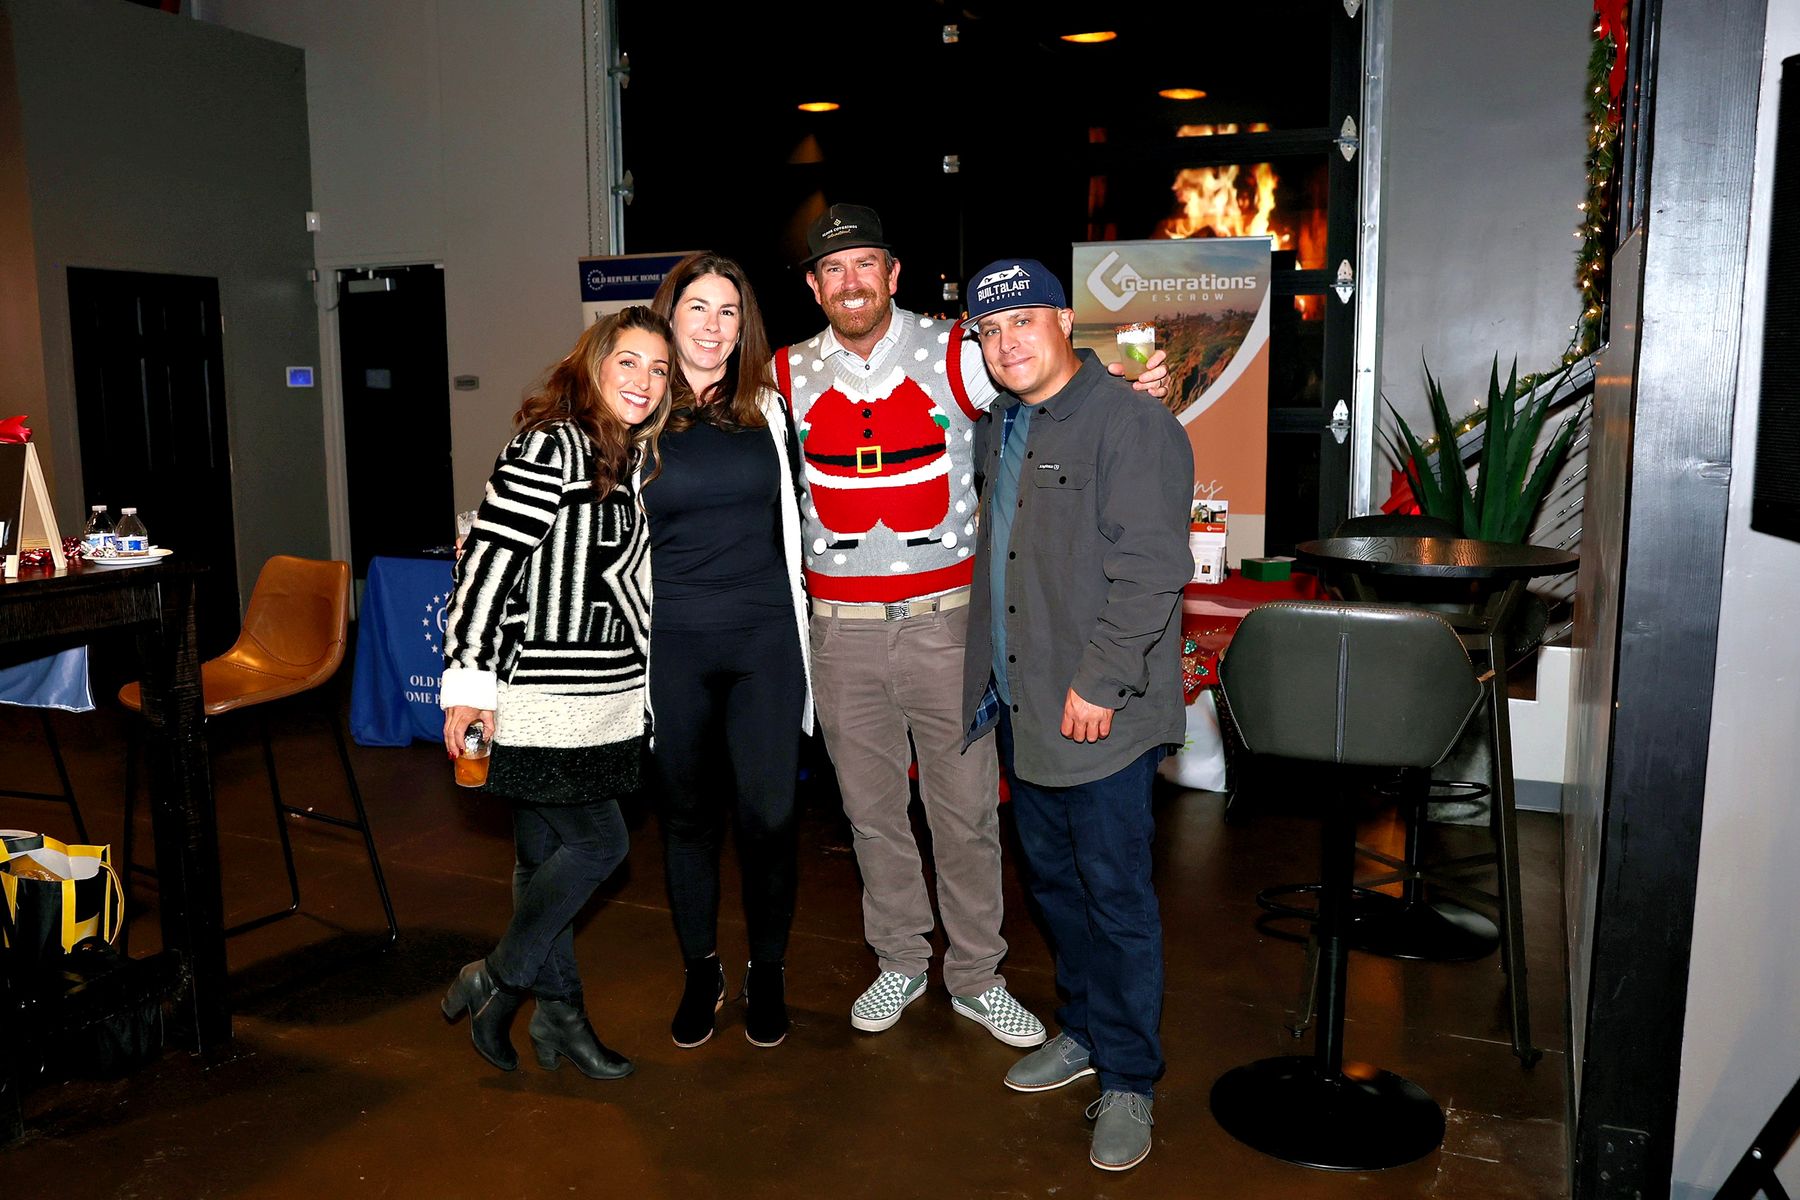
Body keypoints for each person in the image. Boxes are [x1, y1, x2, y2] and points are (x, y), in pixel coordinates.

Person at [774, 204, 1168, 1047]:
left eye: (866, 263)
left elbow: (1054, 375)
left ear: (893, 273)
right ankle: (899, 960)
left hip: (947, 629)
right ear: (813, 285)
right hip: (840, 632)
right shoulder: (782, 373)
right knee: (871, 813)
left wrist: (1131, 383)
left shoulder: (961, 350)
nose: (851, 282)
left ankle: (978, 976)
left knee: (964, 815)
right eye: (833, 269)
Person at [957, 259, 1193, 1173]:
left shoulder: (1131, 422)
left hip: (1099, 709)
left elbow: (1152, 570)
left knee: (1116, 897)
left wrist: (1100, 681)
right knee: (1054, 887)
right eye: (989, 330)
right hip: (1026, 702)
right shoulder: (1001, 425)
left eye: (1022, 320)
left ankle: (1130, 1077)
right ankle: (1086, 1030)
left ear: (1064, 320)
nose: (1006, 341)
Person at [438, 305, 674, 1081]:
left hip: (604, 698)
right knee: (601, 845)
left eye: (659, 369)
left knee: (540, 858)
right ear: (594, 364)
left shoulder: (630, 457)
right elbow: (487, 563)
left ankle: (560, 1016)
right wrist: (468, 682)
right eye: (629, 362)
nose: (645, 381)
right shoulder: (552, 446)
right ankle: (497, 979)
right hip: (543, 695)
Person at [643, 253, 810, 1050]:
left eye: (728, 311)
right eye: (698, 309)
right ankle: (700, 969)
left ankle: (766, 969)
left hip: (765, 640)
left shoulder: (770, 410)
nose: (713, 327)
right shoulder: (637, 410)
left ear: (745, 326)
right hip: (671, 644)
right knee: (686, 817)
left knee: (770, 817)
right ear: (669, 316)